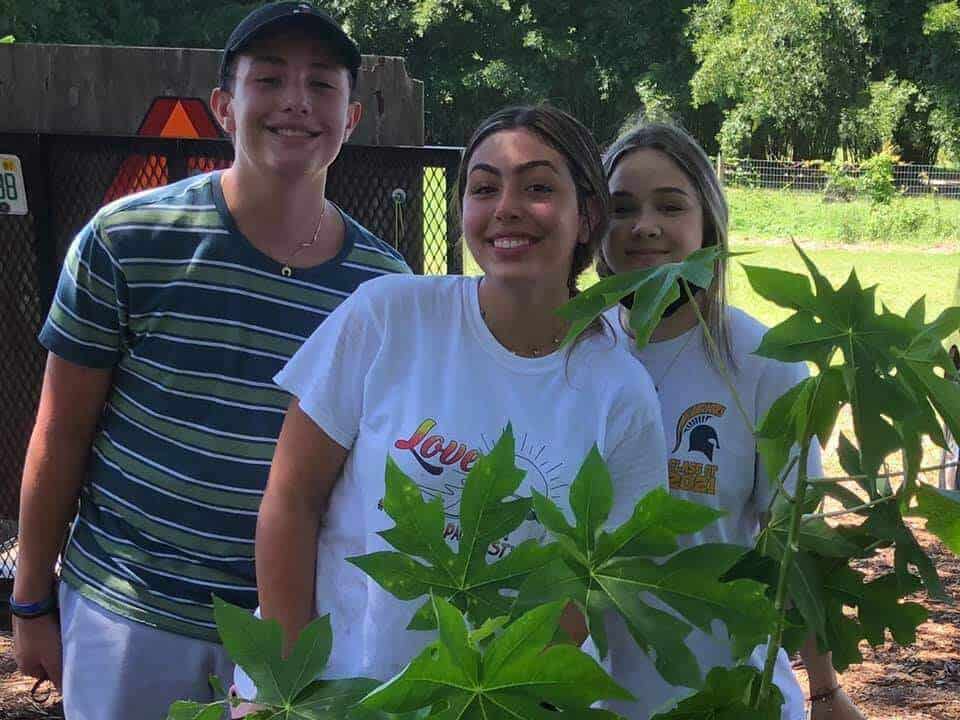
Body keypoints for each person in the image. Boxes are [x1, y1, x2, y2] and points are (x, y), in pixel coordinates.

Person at [12, 3, 410, 718]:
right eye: (270, 79)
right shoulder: (127, 238)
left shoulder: (385, 289)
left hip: (294, 633)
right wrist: (31, 599)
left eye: (322, 84)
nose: (296, 101)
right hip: (129, 613)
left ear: (351, 118)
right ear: (225, 107)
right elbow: (60, 430)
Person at [235, 105, 668, 703]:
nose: (506, 207)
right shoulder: (387, 315)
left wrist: (490, 699)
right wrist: (280, 690)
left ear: (587, 215)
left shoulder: (620, 391)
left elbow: (591, 589)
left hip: (492, 702)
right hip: (336, 692)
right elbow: (291, 499)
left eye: (538, 188)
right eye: (484, 188)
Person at [597, 122, 865, 720]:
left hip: (730, 694)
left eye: (671, 205)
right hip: (593, 699)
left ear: (708, 224)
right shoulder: (574, 351)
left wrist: (825, 690)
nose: (645, 225)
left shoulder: (764, 362)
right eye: (623, 208)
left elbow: (794, 544)